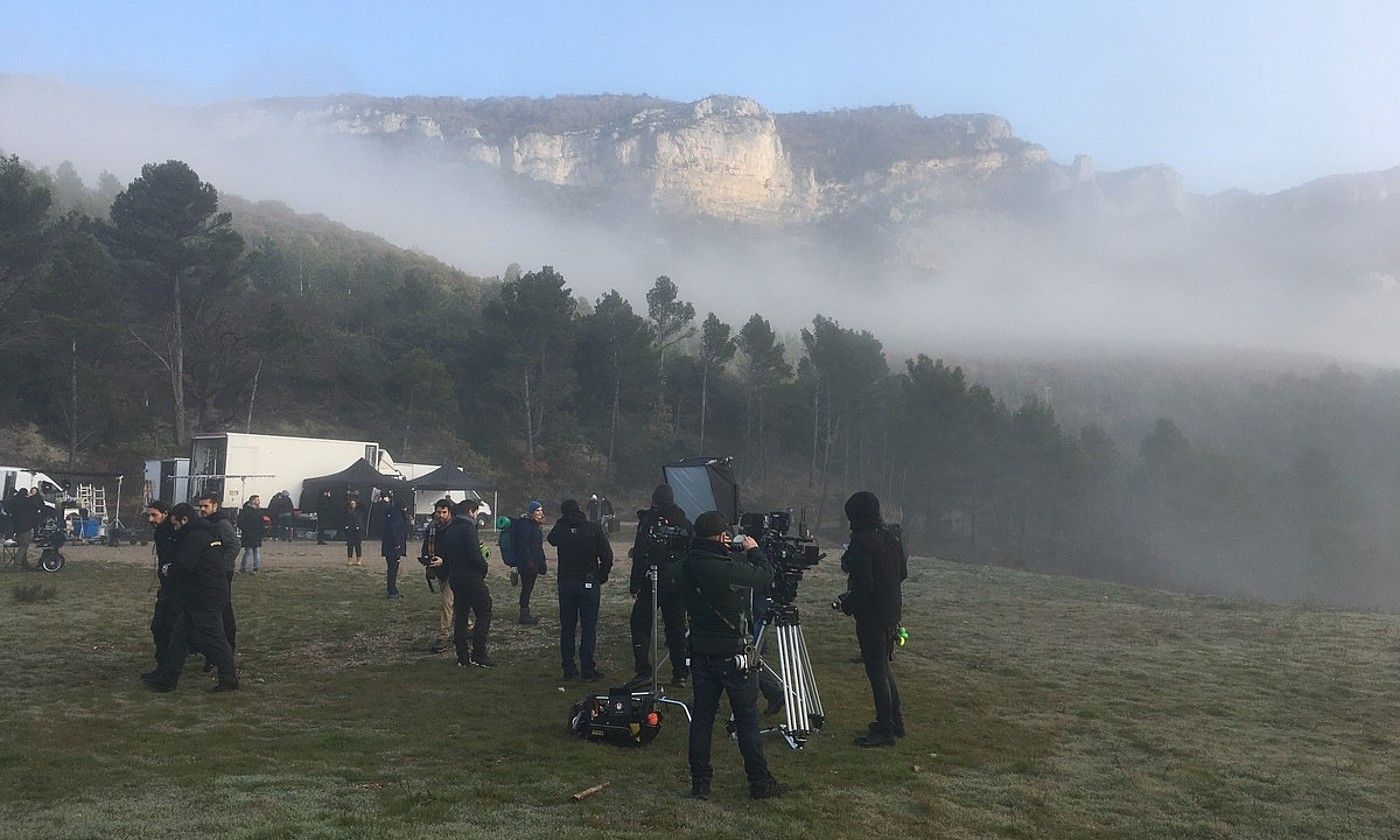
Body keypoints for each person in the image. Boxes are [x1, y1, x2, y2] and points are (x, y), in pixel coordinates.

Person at [674, 511, 783, 801]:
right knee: (747, 720)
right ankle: (758, 782)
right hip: (734, 655)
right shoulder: (726, 568)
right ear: (722, 537)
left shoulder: (684, 568)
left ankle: (700, 784)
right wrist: (754, 550)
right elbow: (765, 576)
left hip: (701, 652)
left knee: (702, 719)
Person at [835, 491, 909, 747]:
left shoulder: (861, 542)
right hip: (891, 610)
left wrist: (848, 604)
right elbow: (902, 573)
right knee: (882, 667)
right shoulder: (892, 537)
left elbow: (864, 584)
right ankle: (894, 721)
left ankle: (885, 730)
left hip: (872, 614)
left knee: (876, 670)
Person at [142, 502, 238, 692]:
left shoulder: (195, 537)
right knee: (179, 637)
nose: (174, 529)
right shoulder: (204, 533)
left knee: (216, 639)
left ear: (184, 520)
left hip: (205, 596)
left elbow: (184, 565)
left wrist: (169, 570)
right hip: (199, 595)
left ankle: (229, 679)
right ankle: (168, 679)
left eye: (176, 525)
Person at [629, 484, 692, 685]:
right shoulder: (683, 520)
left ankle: (643, 669)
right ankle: (680, 672)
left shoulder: (648, 521)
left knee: (640, 623)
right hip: (676, 581)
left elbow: (641, 551)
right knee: (676, 628)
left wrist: (635, 582)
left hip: (652, 579)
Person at [548, 498, 613, 681]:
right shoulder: (593, 529)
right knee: (588, 628)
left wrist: (561, 522)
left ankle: (568, 668)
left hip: (567, 584)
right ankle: (587, 669)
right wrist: (602, 576)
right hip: (589, 582)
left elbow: (551, 539)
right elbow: (607, 556)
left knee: (567, 628)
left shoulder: (561, 530)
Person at [424, 498, 494, 668]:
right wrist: (483, 567)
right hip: (471, 576)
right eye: (475, 512)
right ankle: (479, 653)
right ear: (471, 511)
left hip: (455, 577)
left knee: (461, 615)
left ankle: (462, 656)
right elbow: (474, 554)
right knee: (484, 611)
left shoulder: (451, 529)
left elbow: (447, 555)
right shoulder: (468, 528)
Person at [197, 492, 241, 657]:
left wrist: (220, 566)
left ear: (215, 506)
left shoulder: (221, 523)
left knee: (223, 610)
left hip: (222, 573)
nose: (202, 509)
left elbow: (234, 546)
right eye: (200, 506)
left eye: (205, 506)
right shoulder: (205, 522)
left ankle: (229, 645)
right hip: (211, 573)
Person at [143, 500, 179, 667]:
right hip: (166, 585)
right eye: (148, 515)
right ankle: (163, 662)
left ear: (165, 514)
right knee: (159, 626)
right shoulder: (159, 532)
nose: (150, 519)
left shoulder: (175, 531)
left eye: (154, 515)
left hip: (178, 586)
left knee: (167, 626)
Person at [514, 501, 548, 625]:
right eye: (537, 510)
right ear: (532, 512)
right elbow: (523, 545)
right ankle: (524, 614)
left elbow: (538, 546)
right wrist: (529, 561)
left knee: (528, 587)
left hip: (534, 561)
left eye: (541, 510)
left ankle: (525, 612)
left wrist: (542, 561)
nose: (540, 513)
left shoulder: (535, 525)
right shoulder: (526, 525)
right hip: (527, 563)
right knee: (527, 588)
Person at [379, 490, 408, 600]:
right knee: (393, 569)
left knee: (392, 569)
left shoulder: (391, 513)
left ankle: (392, 589)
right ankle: (392, 591)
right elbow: (394, 530)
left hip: (389, 546)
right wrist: (397, 544)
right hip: (394, 547)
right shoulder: (397, 516)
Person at [237, 495, 264, 573]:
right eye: (257, 500)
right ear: (252, 501)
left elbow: (261, 522)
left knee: (256, 551)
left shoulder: (258, 511)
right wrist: (246, 530)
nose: (259, 501)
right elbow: (240, 522)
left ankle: (256, 567)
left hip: (256, 534)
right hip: (248, 534)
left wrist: (262, 532)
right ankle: (243, 567)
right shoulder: (245, 511)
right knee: (248, 551)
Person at [344, 497, 365, 566]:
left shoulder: (360, 510)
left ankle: (359, 559)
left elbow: (363, 506)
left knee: (358, 545)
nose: (352, 504)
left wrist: (357, 499)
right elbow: (344, 506)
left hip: (358, 529)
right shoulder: (347, 510)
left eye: (354, 503)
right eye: (351, 503)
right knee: (350, 545)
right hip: (350, 529)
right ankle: (350, 559)